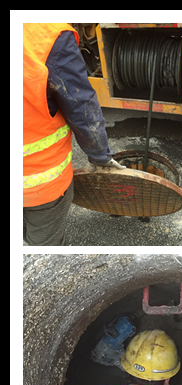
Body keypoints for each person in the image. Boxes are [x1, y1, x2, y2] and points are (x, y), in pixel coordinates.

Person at [23, 23, 122, 246]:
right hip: (38, 184)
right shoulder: (48, 33)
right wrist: (100, 156)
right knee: (45, 248)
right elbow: (80, 107)